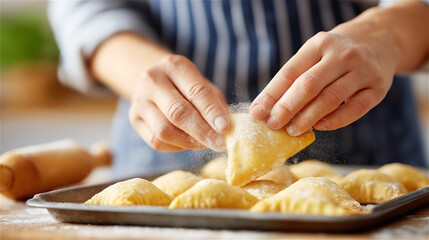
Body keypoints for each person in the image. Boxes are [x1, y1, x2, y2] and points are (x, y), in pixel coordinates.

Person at [48, 0, 428, 178]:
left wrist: (388, 34)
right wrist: (135, 68)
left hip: (376, 167)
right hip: (159, 170)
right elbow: (85, 8)